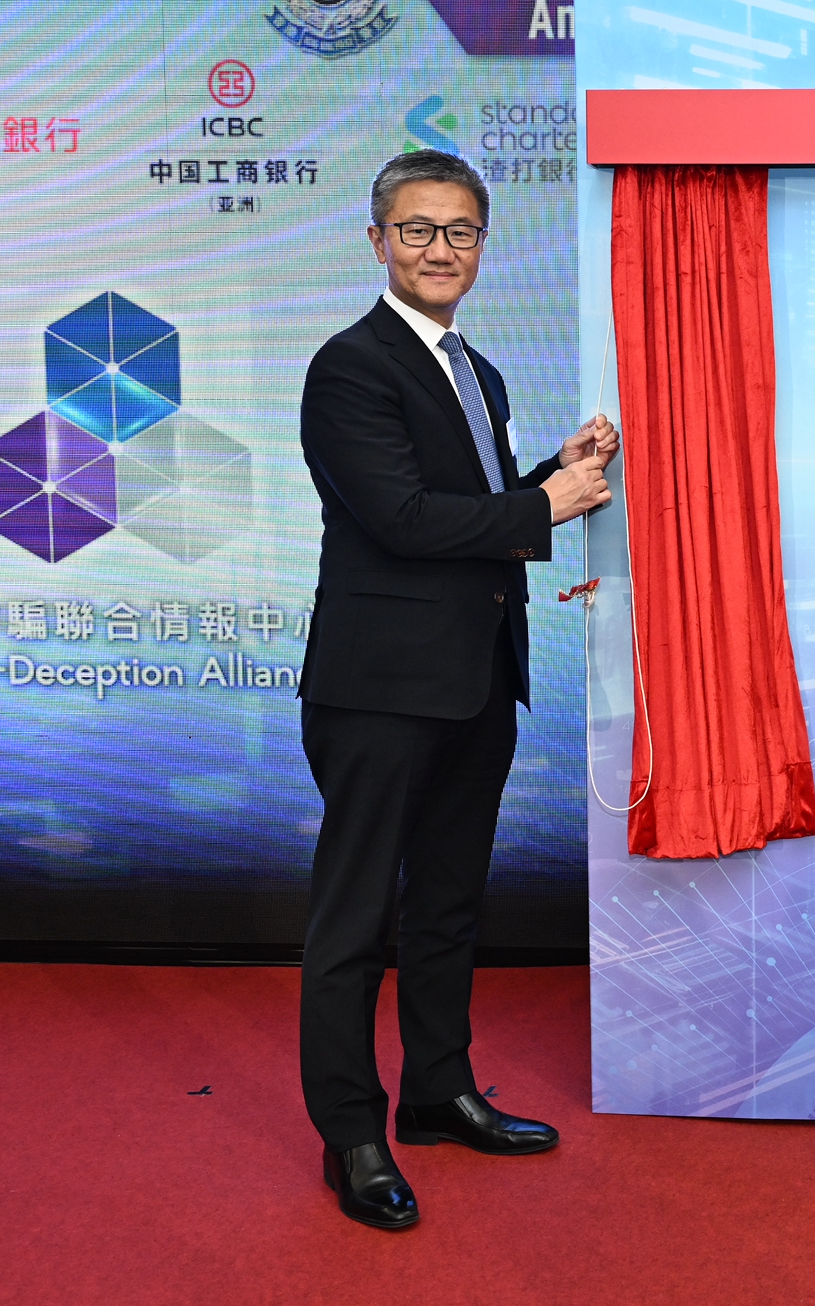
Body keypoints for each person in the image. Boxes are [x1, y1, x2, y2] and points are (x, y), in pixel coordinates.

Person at [296, 149, 617, 1230]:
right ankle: (353, 1135)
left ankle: (439, 1091)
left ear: (485, 245)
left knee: (446, 906)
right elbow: (402, 519)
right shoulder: (350, 366)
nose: (442, 249)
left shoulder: (477, 371)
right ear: (377, 238)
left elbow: (466, 510)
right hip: (380, 691)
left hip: (478, 682)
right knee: (353, 921)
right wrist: (551, 508)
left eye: (462, 231)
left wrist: (546, 477)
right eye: (419, 229)